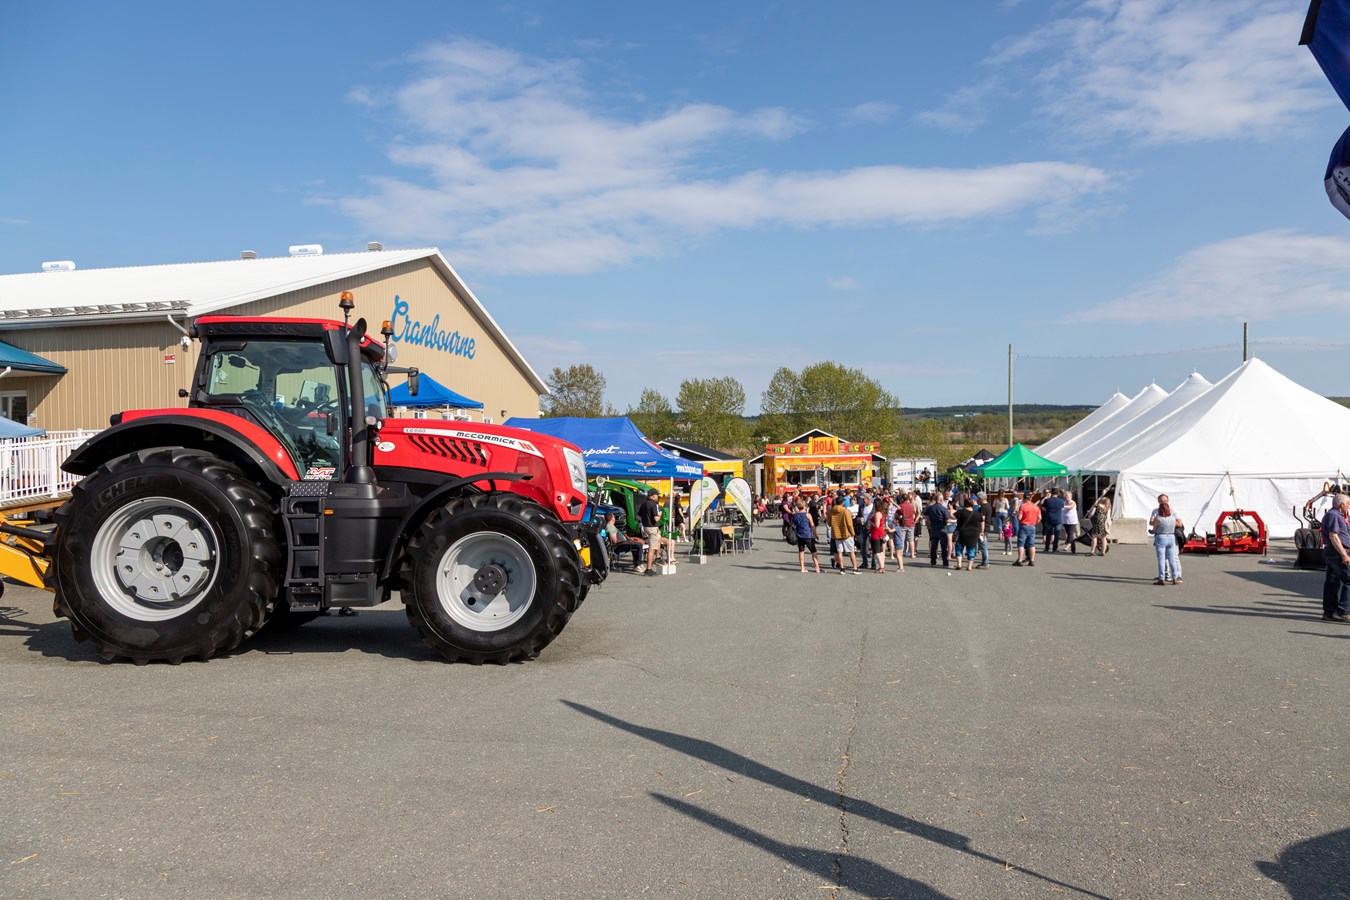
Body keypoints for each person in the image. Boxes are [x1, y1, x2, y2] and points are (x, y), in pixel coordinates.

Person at [1319, 494, 1350, 621]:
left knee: (1332, 581)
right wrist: (1344, 554)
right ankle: (1343, 611)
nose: (1349, 506)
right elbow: (1334, 536)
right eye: (1348, 504)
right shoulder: (1334, 515)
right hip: (1336, 552)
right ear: (1342, 505)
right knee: (1348, 579)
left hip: (1333, 552)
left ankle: (1329, 612)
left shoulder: (1336, 515)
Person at [1149, 498, 1183, 585]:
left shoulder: (1158, 519)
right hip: (1171, 536)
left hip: (1161, 537)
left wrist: (1153, 531)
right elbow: (1179, 524)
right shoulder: (1172, 518)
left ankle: (1162, 578)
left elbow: (1154, 529)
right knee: (1172, 558)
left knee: (1161, 559)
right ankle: (1175, 577)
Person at [639, 488, 671, 576]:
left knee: (659, 539)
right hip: (652, 527)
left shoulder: (644, 504)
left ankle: (658, 557)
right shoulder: (654, 505)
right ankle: (648, 569)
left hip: (646, 527)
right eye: (657, 495)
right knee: (651, 549)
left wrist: (645, 521)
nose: (658, 496)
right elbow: (656, 518)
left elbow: (638, 517)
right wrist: (660, 514)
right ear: (653, 495)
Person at [829, 492, 859, 574]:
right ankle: (855, 568)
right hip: (846, 533)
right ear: (842, 503)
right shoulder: (845, 511)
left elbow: (829, 523)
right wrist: (853, 533)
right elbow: (849, 524)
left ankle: (842, 569)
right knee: (851, 551)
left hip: (836, 534)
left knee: (839, 552)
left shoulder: (831, 511)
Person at [793, 499, 821, 573]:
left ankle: (802, 567)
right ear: (804, 506)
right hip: (808, 535)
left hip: (799, 535)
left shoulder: (795, 515)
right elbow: (812, 525)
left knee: (801, 551)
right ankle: (817, 567)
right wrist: (815, 535)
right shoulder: (807, 515)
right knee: (813, 551)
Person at [954, 497, 982, 571]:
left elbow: (952, 516)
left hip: (963, 532)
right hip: (974, 533)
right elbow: (982, 522)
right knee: (971, 549)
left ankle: (959, 564)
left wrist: (952, 509)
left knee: (959, 548)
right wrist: (981, 531)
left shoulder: (961, 511)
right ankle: (969, 566)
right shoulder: (977, 513)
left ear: (964, 504)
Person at [923, 494, 951, 568]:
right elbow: (947, 520)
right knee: (943, 547)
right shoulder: (944, 509)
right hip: (942, 529)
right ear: (941, 500)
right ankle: (945, 563)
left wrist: (928, 520)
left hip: (934, 528)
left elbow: (924, 513)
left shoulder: (930, 508)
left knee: (933, 547)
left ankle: (933, 562)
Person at [1014, 493, 1040, 567]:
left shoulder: (1023, 506)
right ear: (1030, 499)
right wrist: (1035, 522)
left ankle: (1019, 560)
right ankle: (1032, 560)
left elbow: (1019, 517)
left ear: (1024, 498)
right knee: (1031, 544)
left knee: (1021, 543)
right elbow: (1039, 518)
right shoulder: (1035, 507)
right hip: (1032, 526)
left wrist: (1020, 520)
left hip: (1024, 525)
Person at [1041, 487, 1066, 553]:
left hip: (1049, 518)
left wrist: (1048, 511)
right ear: (1057, 493)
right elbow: (1063, 508)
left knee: (1048, 533)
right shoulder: (1061, 501)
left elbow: (1043, 508)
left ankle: (1047, 548)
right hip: (1058, 519)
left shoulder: (1047, 500)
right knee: (1056, 534)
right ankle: (1055, 548)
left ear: (1051, 493)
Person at [869, 499, 889, 574]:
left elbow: (877, 525)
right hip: (880, 533)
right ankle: (882, 566)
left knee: (877, 552)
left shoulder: (877, 513)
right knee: (880, 551)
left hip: (876, 533)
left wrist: (871, 522)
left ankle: (881, 567)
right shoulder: (882, 512)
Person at [898, 491, 917, 561]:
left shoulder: (901, 506)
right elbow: (913, 514)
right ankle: (912, 554)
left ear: (902, 499)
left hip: (903, 524)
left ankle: (901, 553)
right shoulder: (911, 506)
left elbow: (899, 513)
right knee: (911, 540)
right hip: (911, 523)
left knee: (902, 540)